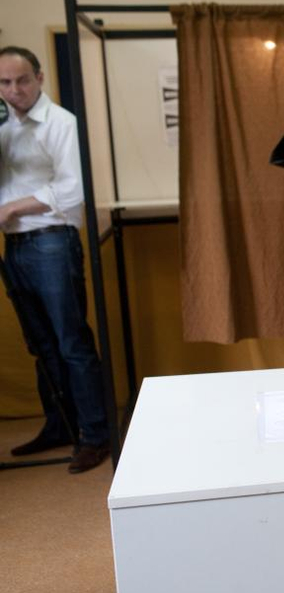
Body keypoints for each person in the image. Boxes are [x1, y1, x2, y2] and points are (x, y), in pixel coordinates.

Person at [0, 46, 109, 473]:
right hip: (16, 246)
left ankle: (96, 434)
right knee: (40, 344)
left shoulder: (62, 123)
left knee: (70, 343)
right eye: (4, 83)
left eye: (22, 80)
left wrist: (10, 209)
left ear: (40, 78)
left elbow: (71, 191)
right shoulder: (3, 125)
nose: (14, 90)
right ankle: (60, 426)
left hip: (52, 241)